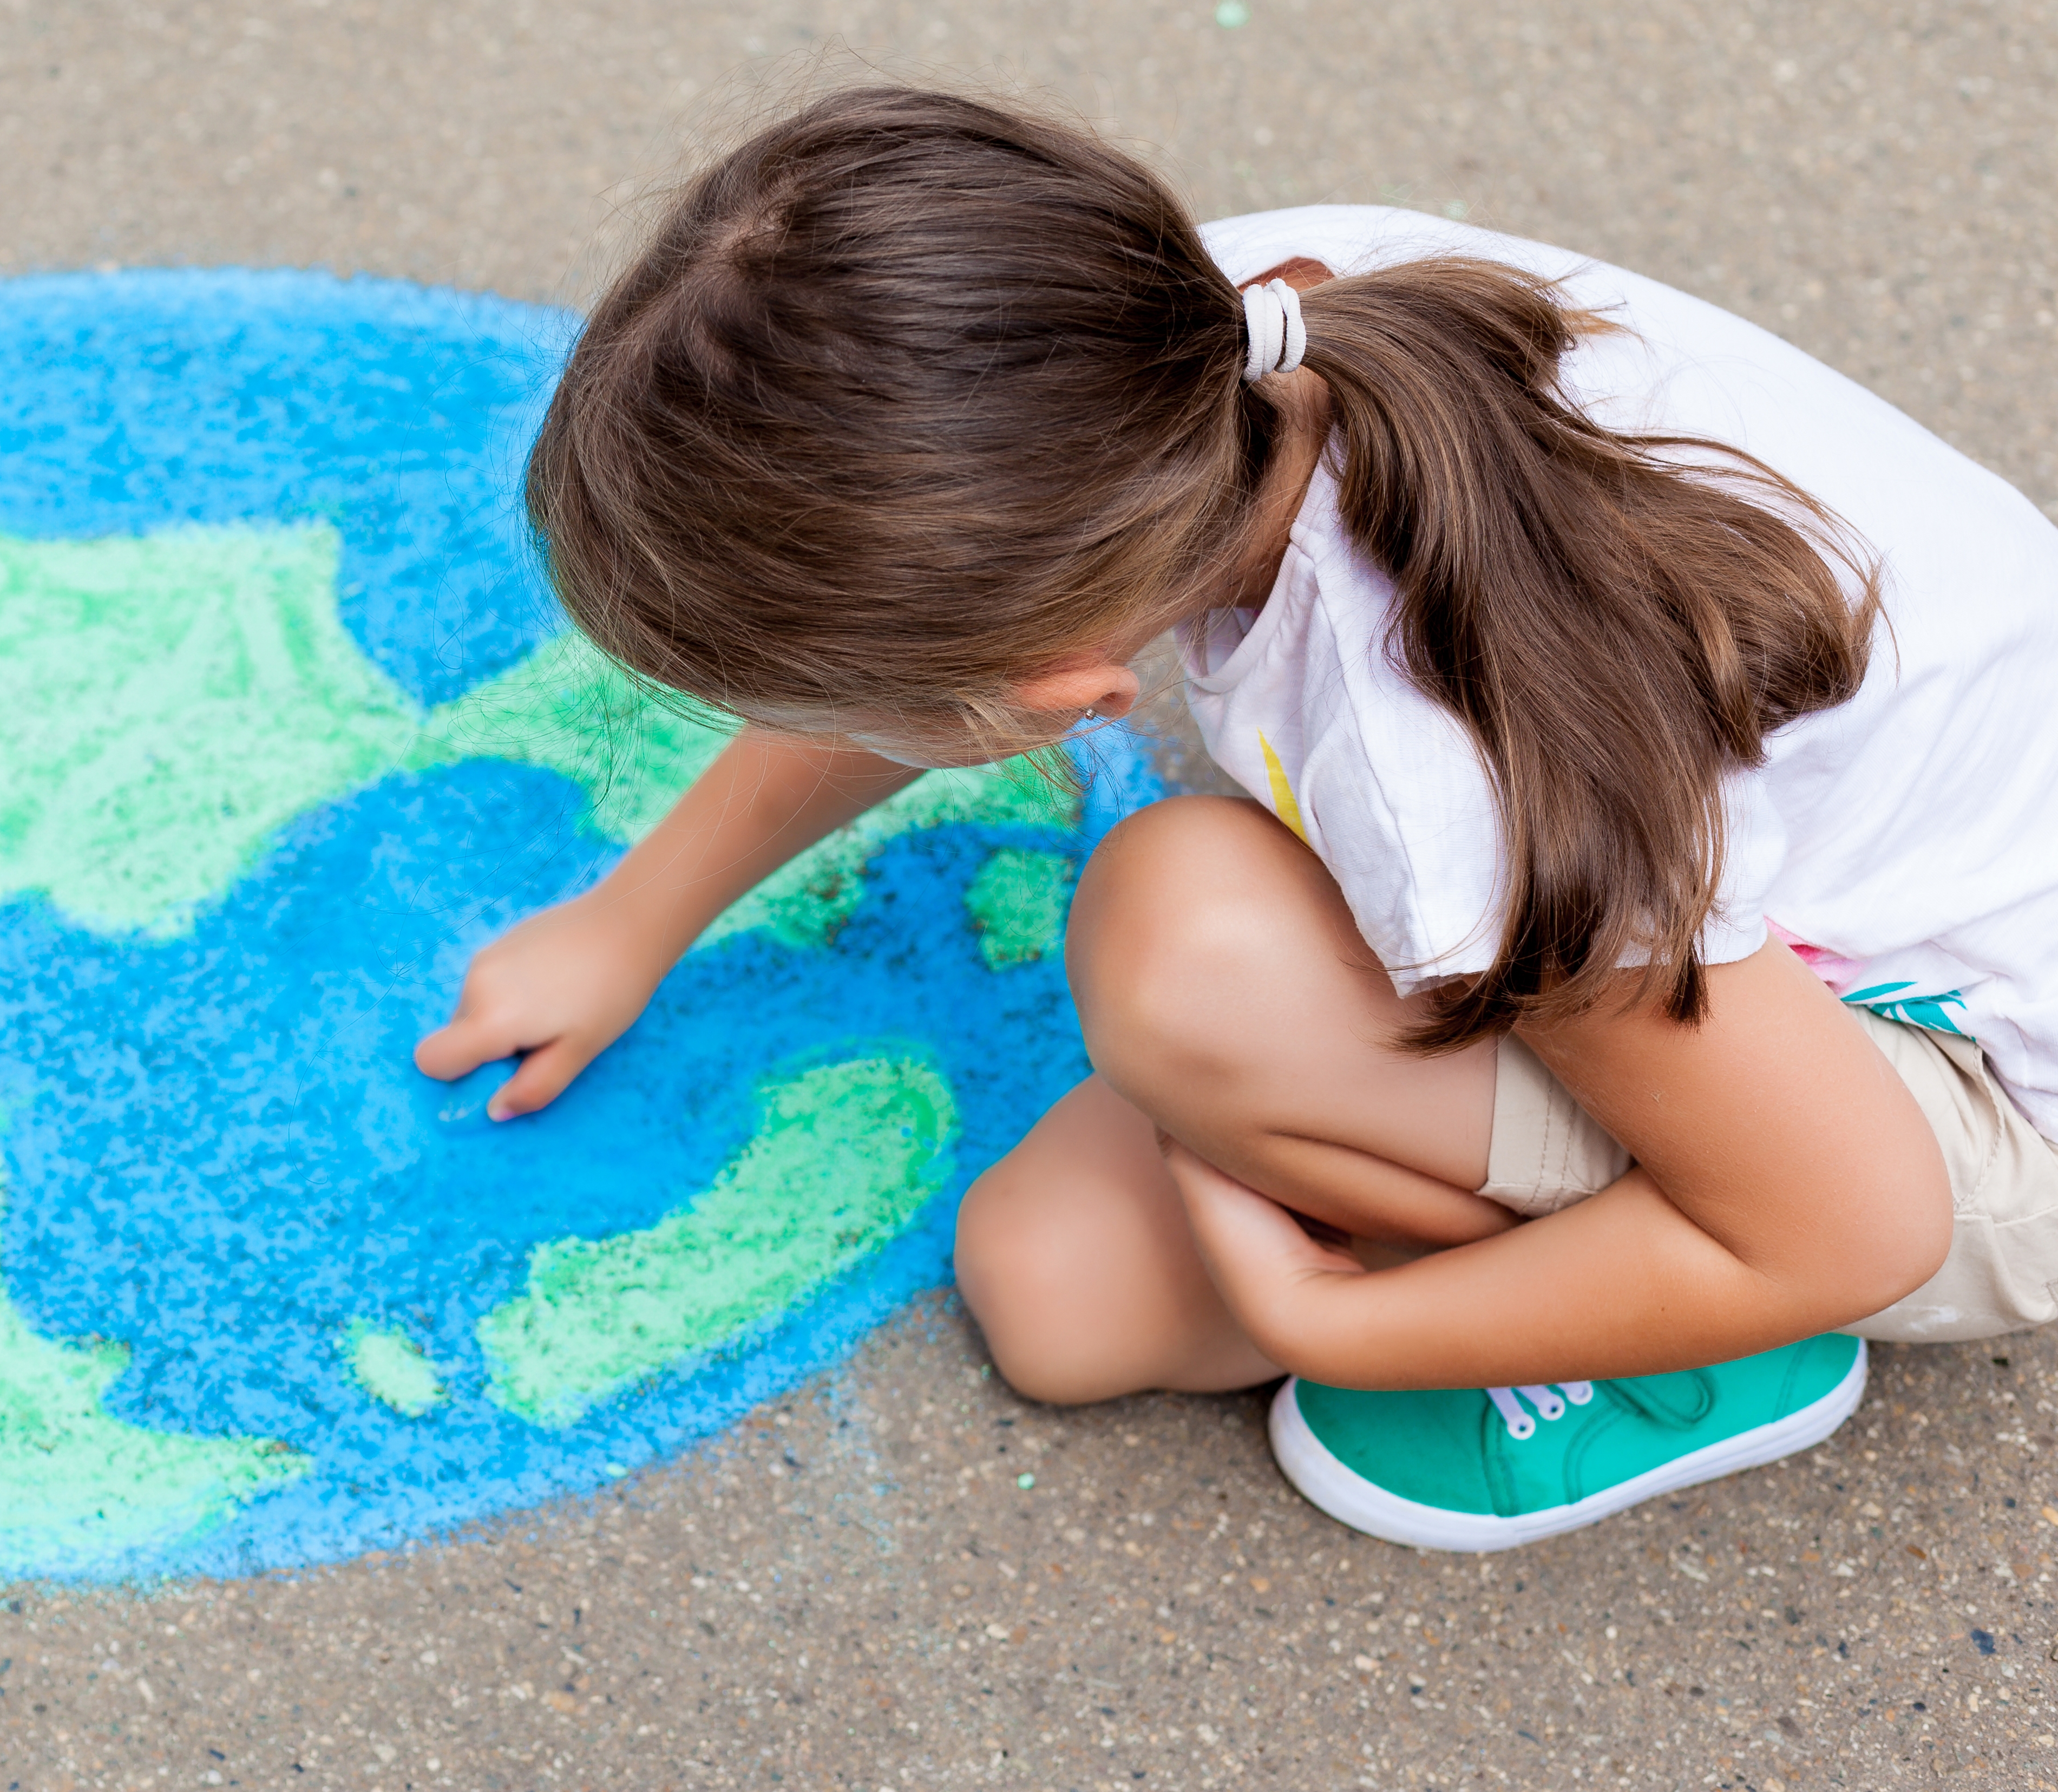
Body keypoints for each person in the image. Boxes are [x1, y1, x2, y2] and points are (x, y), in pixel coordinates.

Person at [412, 85, 2058, 1551]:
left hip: (1958, 1123)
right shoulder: (1184, 336)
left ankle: (1699, 1341)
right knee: (1059, 1294)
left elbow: (1852, 1225)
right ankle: (1540, 1220)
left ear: (1062, 696)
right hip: (1725, 928)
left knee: (1178, 938)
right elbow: (937, 619)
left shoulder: (1457, 788)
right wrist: (631, 920)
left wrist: (1341, 1327)